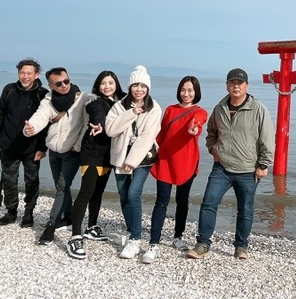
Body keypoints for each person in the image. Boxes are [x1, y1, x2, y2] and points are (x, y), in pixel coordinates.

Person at [187, 68, 274, 260]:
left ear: (246, 86)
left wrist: (264, 164)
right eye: (232, 83)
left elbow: (267, 138)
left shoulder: (258, 108)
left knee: (245, 209)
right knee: (209, 203)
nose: (236, 86)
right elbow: (211, 133)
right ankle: (203, 244)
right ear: (227, 85)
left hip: (248, 169)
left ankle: (241, 247)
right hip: (222, 168)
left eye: (240, 83)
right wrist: (213, 150)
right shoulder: (220, 108)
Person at [141, 76, 208, 264]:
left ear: (196, 92)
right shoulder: (170, 110)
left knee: (182, 201)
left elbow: (198, 122)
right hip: (165, 160)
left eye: (190, 90)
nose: (186, 94)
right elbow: (161, 134)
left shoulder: (200, 111)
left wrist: (194, 127)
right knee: (161, 201)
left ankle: (178, 237)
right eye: (183, 90)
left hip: (187, 161)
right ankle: (154, 243)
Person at [24, 67, 91, 245]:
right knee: (61, 185)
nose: (63, 86)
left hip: (72, 151)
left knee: (62, 186)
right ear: (50, 85)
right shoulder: (48, 99)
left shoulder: (82, 98)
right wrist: (30, 128)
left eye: (66, 81)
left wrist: (77, 146)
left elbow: (86, 124)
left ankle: (51, 225)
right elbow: (41, 116)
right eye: (58, 83)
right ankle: (67, 217)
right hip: (54, 150)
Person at [66, 70, 126, 260]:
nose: (106, 86)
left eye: (110, 83)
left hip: (108, 155)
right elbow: (97, 114)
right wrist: (99, 124)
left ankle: (91, 227)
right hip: (92, 153)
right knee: (86, 192)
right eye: (103, 83)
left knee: (98, 192)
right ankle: (75, 236)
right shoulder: (95, 101)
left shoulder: (120, 103)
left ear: (116, 84)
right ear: (98, 85)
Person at [105, 65, 162, 259]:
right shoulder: (120, 106)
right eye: (135, 85)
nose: (139, 89)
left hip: (143, 158)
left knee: (133, 193)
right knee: (123, 196)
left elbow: (148, 137)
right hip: (120, 157)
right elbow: (110, 130)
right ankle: (131, 231)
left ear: (148, 88)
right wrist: (131, 113)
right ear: (130, 87)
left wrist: (132, 161)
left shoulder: (154, 108)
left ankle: (136, 239)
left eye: (143, 86)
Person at [0, 59, 49, 228]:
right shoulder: (9, 90)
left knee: (32, 181)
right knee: (9, 180)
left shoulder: (42, 94)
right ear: (18, 73)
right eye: (22, 73)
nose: (25, 76)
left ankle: (29, 213)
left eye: (29, 73)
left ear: (36, 74)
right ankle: (11, 212)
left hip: (32, 148)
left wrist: (42, 147)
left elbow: (46, 123)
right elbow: (0, 115)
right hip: (8, 144)